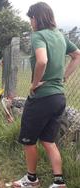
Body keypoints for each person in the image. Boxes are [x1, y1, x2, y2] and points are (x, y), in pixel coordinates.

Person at [13, 2, 80, 188]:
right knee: (49, 140)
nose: (30, 23)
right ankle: (58, 182)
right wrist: (63, 77)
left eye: (31, 19)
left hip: (42, 97)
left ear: (36, 18)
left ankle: (31, 179)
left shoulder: (38, 35)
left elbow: (42, 60)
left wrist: (34, 84)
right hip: (59, 97)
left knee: (28, 140)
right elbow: (77, 55)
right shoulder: (60, 36)